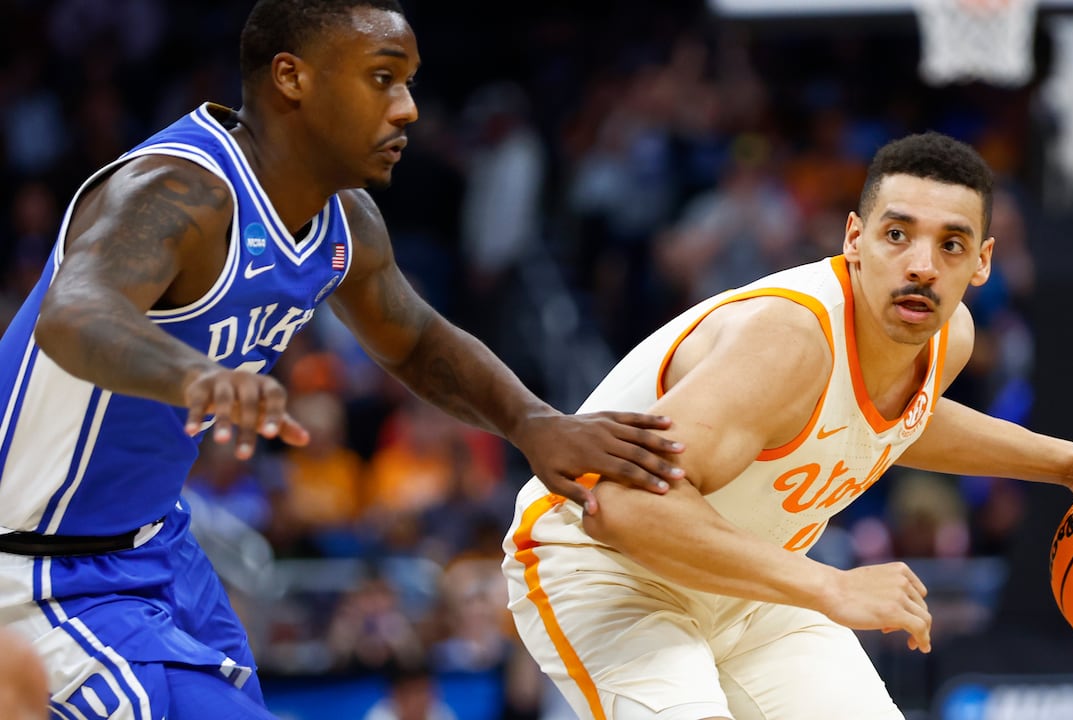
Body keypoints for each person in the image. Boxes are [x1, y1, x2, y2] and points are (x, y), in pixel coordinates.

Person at [0, 1, 686, 717]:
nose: (409, 109)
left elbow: (416, 340)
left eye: (410, 82)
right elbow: (73, 314)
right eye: (383, 79)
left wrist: (533, 421)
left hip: (154, 543)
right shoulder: (179, 191)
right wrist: (197, 375)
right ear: (291, 78)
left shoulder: (346, 221)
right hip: (36, 563)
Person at [501, 132, 1073, 720]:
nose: (922, 266)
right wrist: (829, 588)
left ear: (983, 262)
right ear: (856, 239)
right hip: (610, 570)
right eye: (898, 235)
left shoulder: (945, 339)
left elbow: (900, 423)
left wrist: (1070, 464)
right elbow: (619, 504)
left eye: (952, 245)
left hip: (753, 584)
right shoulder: (787, 341)